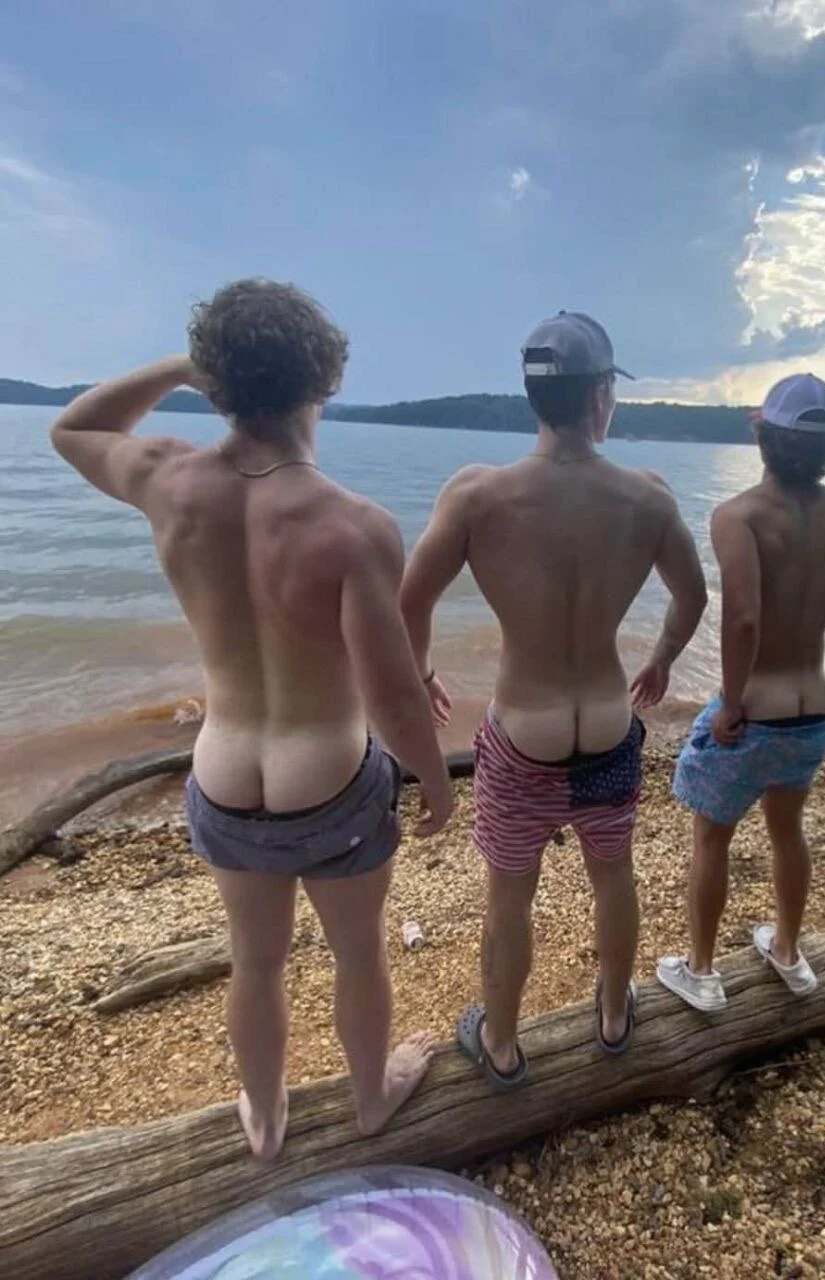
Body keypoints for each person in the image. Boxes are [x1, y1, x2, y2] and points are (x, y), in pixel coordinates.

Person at [50, 279, 453, 1156]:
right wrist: (433, 778)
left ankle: (265, 1119)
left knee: (257, 960)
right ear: (326, 379)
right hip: (331, 785)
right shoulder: (354, 525)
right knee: (357, 951)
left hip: (224, 777)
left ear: (218, 384)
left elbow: (73, 428)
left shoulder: (167, 479)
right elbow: (391, 693)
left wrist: (180, 369)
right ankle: (372, 1098)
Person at [400, 311, 707, 1088]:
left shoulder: (477, 495)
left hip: (523, 738)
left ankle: (501, 1044)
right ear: (600, 397)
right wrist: (662, 659)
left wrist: (424, 671)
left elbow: (410, 600)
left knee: (510, 895)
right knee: (613, 873)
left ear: (532, 395)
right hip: (607, 726)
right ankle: (614, 1016)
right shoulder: (648, 497)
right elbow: (694, 596)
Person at [658, 373, 825, 1012]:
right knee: (789, 831)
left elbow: (744, 620)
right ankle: (787, 951)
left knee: (713, 838)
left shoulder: (738, 516)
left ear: (764, 436)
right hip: (810, 711)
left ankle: (702, 972)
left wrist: (731, 704)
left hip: (753, 712)